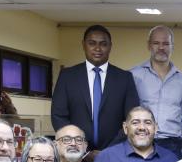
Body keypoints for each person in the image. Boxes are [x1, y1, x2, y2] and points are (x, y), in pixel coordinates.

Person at [51, 24, 140, 152]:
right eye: (92, 43)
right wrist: (80, 148)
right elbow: (58, 116)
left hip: (115, 153)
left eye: (103, 44)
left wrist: (108, 152)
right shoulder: (67, 76)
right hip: (75, 154)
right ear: (83, 45)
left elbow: (131, 119)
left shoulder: (124, 78)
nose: (97, 48)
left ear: (110, 46)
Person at [131, 26, 182, 161]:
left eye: (166, 43)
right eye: (156, 43)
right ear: (149, 46)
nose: (161, 47)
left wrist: (173, 134)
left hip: (172, 144)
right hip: (140, 141)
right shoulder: (133, 76)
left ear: (172, 47)